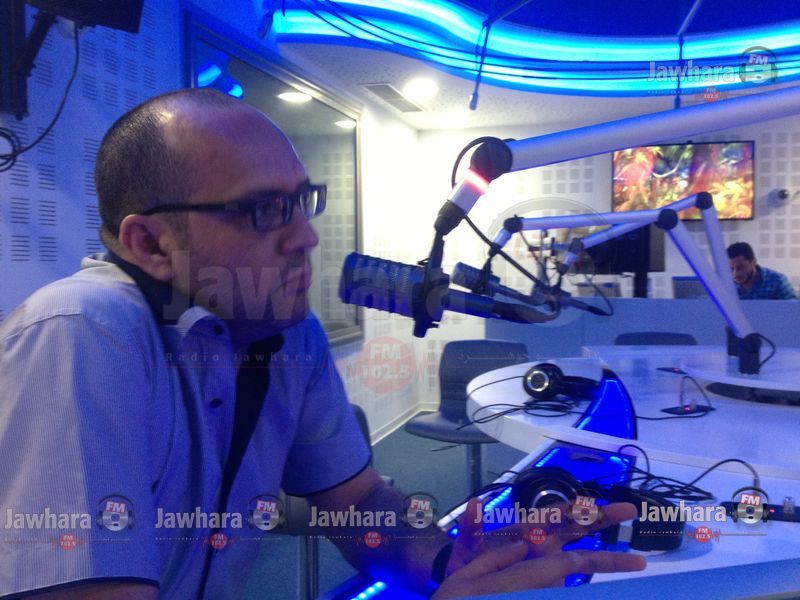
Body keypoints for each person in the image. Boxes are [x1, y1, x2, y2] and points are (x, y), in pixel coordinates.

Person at [0, 89, 645, 599]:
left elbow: (357, 503)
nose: (306, 237)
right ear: (149, 244)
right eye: (264, 209)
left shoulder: (289, 335)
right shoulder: (80, 331)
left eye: (302, 202)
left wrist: (446, 559)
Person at [726, 242, 797, 300]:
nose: (735, 273)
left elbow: (793, 309)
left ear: (753, 262)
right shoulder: (726, 285)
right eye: (731, 268)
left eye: (741, 267)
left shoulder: (777, 281)